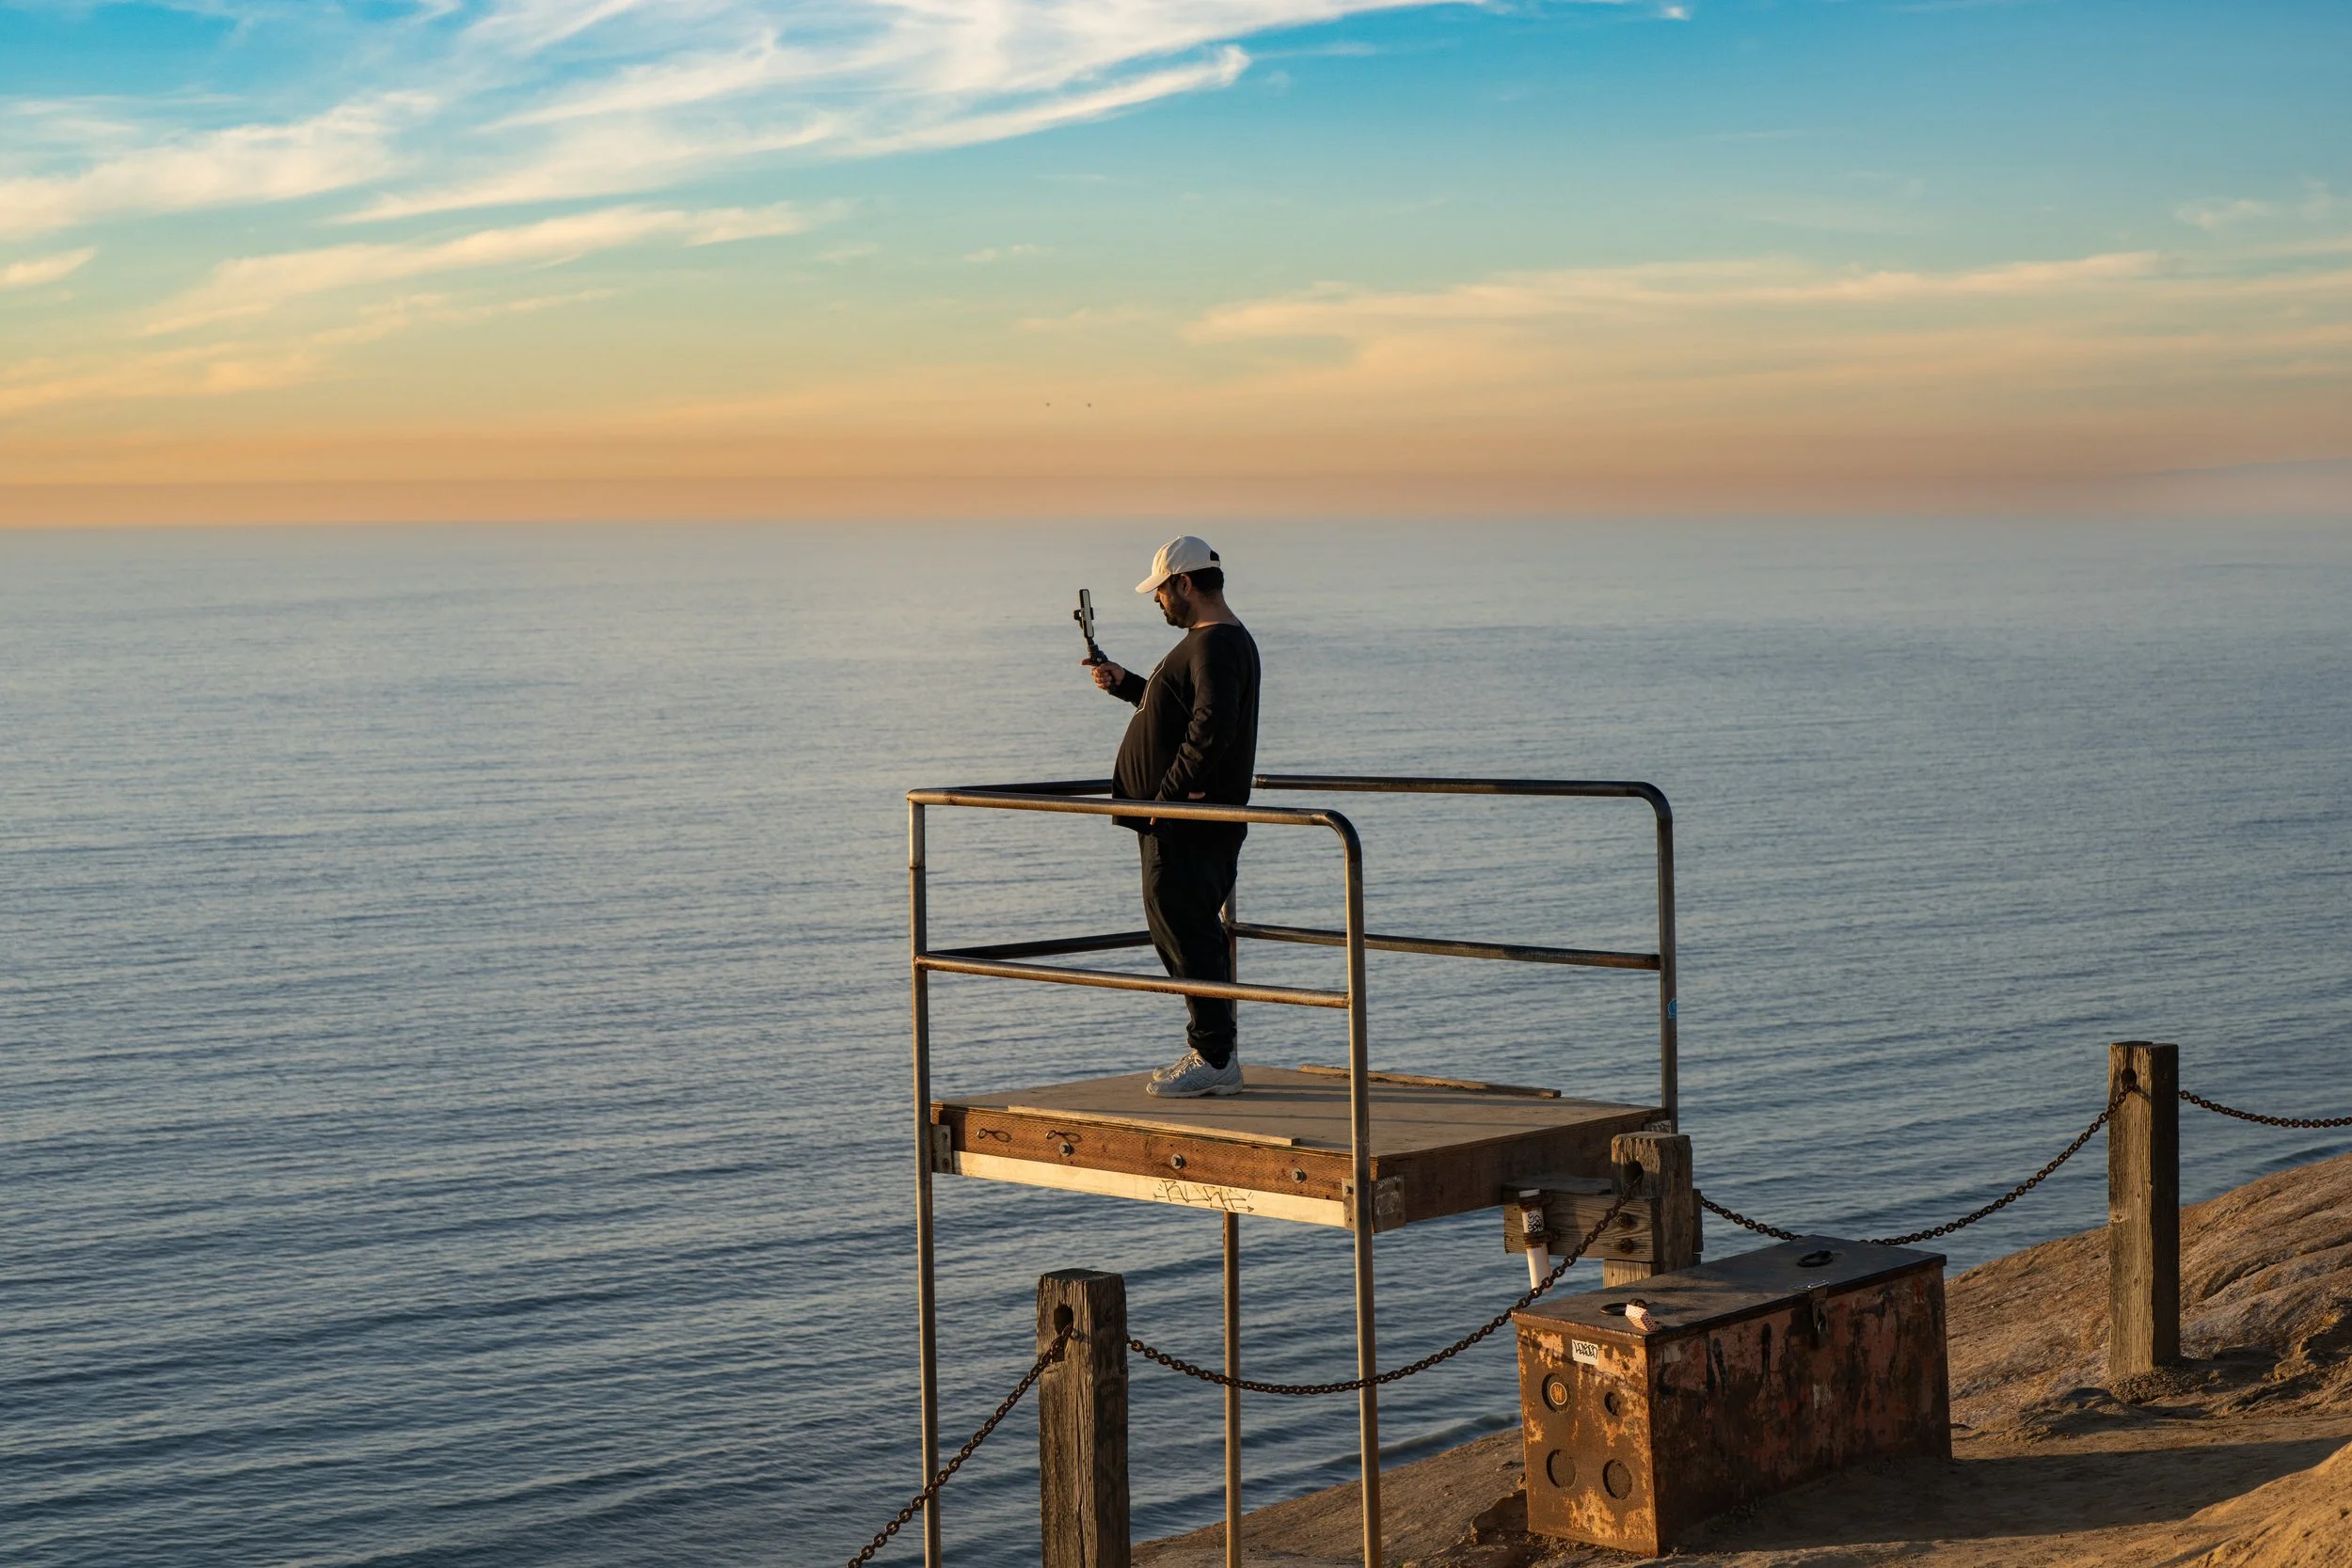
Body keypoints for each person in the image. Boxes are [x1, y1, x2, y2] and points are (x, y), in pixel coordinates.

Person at [1086, 536, 1262, 1098]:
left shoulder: (1214, 645)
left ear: (1184, 584)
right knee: (1186, 929)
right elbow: (1183, 713)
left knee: (1188, 930)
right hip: (1179, 818)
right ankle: (1212, 1051)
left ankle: (1214, 1057)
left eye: (1160, 590)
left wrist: (1167, 797)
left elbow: (1211, 730)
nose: (1158, 601)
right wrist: (1128, 685)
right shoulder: (1211, 644)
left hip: (1185, 821)